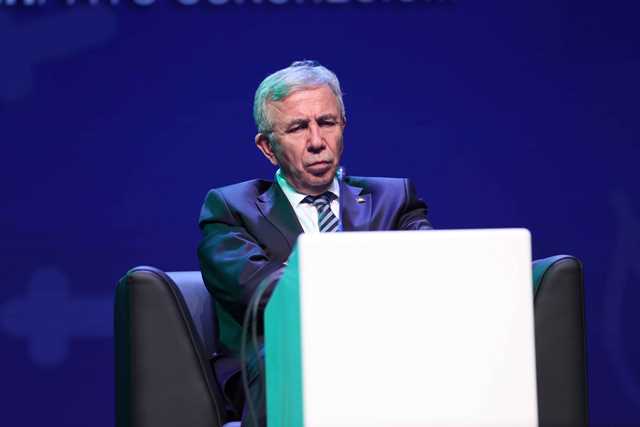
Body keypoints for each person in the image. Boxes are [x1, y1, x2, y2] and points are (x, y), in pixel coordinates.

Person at [198, 60, 432, 426]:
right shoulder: (231, 209)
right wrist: (376, 277)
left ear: (343, 127)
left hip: (388, 353)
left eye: (327, 123)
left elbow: (431, 267)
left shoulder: (394, 198)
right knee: (291, 355)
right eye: (297, 128)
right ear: (267, 147)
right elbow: (265, 294)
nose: (317, 142)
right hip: (282, 365)